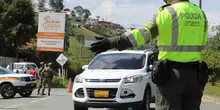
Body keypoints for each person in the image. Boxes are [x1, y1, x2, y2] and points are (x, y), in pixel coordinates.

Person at [89, 0, 208, 110]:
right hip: (195, 77)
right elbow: (202, 44)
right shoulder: (200, 14)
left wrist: (111, 42)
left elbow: (142, 34)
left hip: (171, 76)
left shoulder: (168, 12)